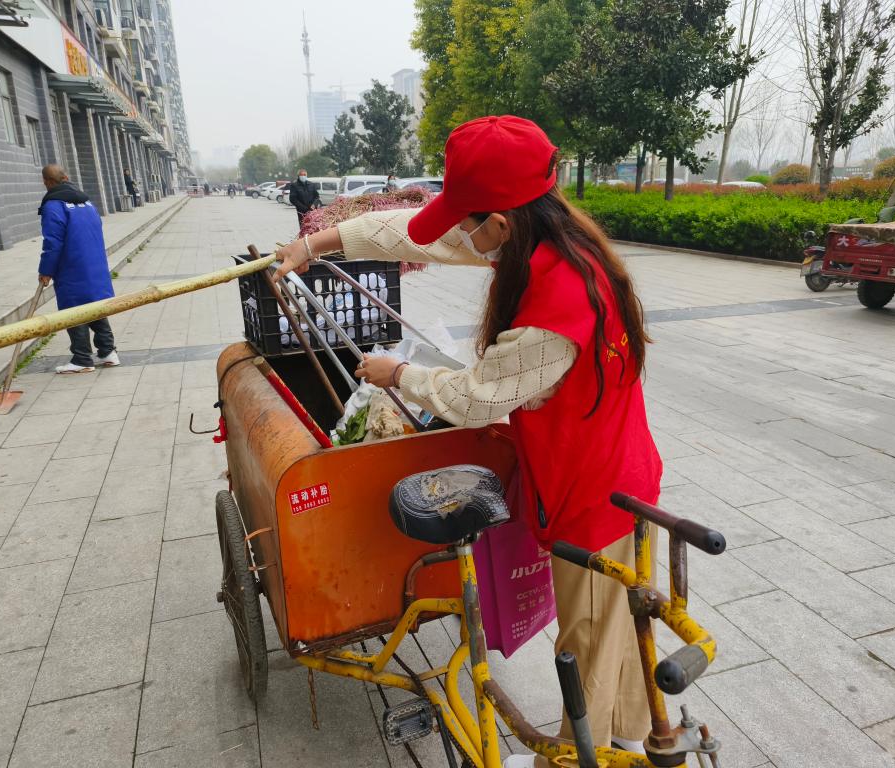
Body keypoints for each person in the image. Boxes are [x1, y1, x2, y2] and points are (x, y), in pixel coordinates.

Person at [274, 116, 662, 768]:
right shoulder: (553, 239)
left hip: (594, 495)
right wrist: (319, 243)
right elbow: (419, 233)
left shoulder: (555, 301)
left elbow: (478, 397)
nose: (462, 233)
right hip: (620, 469)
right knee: (615, 624)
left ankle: (577, 758)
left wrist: (398, 374)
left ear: (501, 223)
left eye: (469, 220)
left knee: (590, 638)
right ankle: (627, 737)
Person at [38, 164, 120, 374]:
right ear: (66, 178)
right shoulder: (86, 202)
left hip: (72, 267)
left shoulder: (53, 206)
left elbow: (52, 242)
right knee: (95, 307)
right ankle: (107, 351)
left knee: (73, 311)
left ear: (47, 182)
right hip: (95, 265)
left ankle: (82, 358)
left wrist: (46, 270)